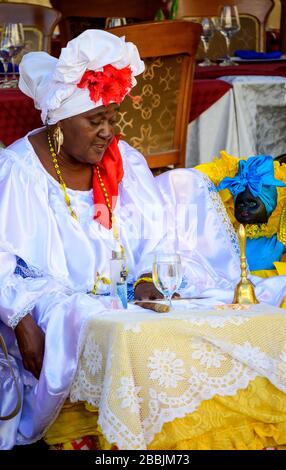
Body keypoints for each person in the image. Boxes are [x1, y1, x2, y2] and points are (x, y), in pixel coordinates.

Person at [0, 29, 250, 450]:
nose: (107, 132)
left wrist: (149, 276)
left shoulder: (121, 163)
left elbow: (156, 236)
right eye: (94, 120)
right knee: (73, 314)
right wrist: (21, 319)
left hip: (116, 301)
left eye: (112, 119)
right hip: (52, 310)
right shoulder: (18, 172)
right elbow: (5, 260)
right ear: (60, 124)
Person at [196, 152, 286, 276]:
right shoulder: (228, 236)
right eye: (241, 204)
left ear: (269, 206)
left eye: (253, 204)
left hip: (269, 288)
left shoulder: (278, 239)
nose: (245, 209)